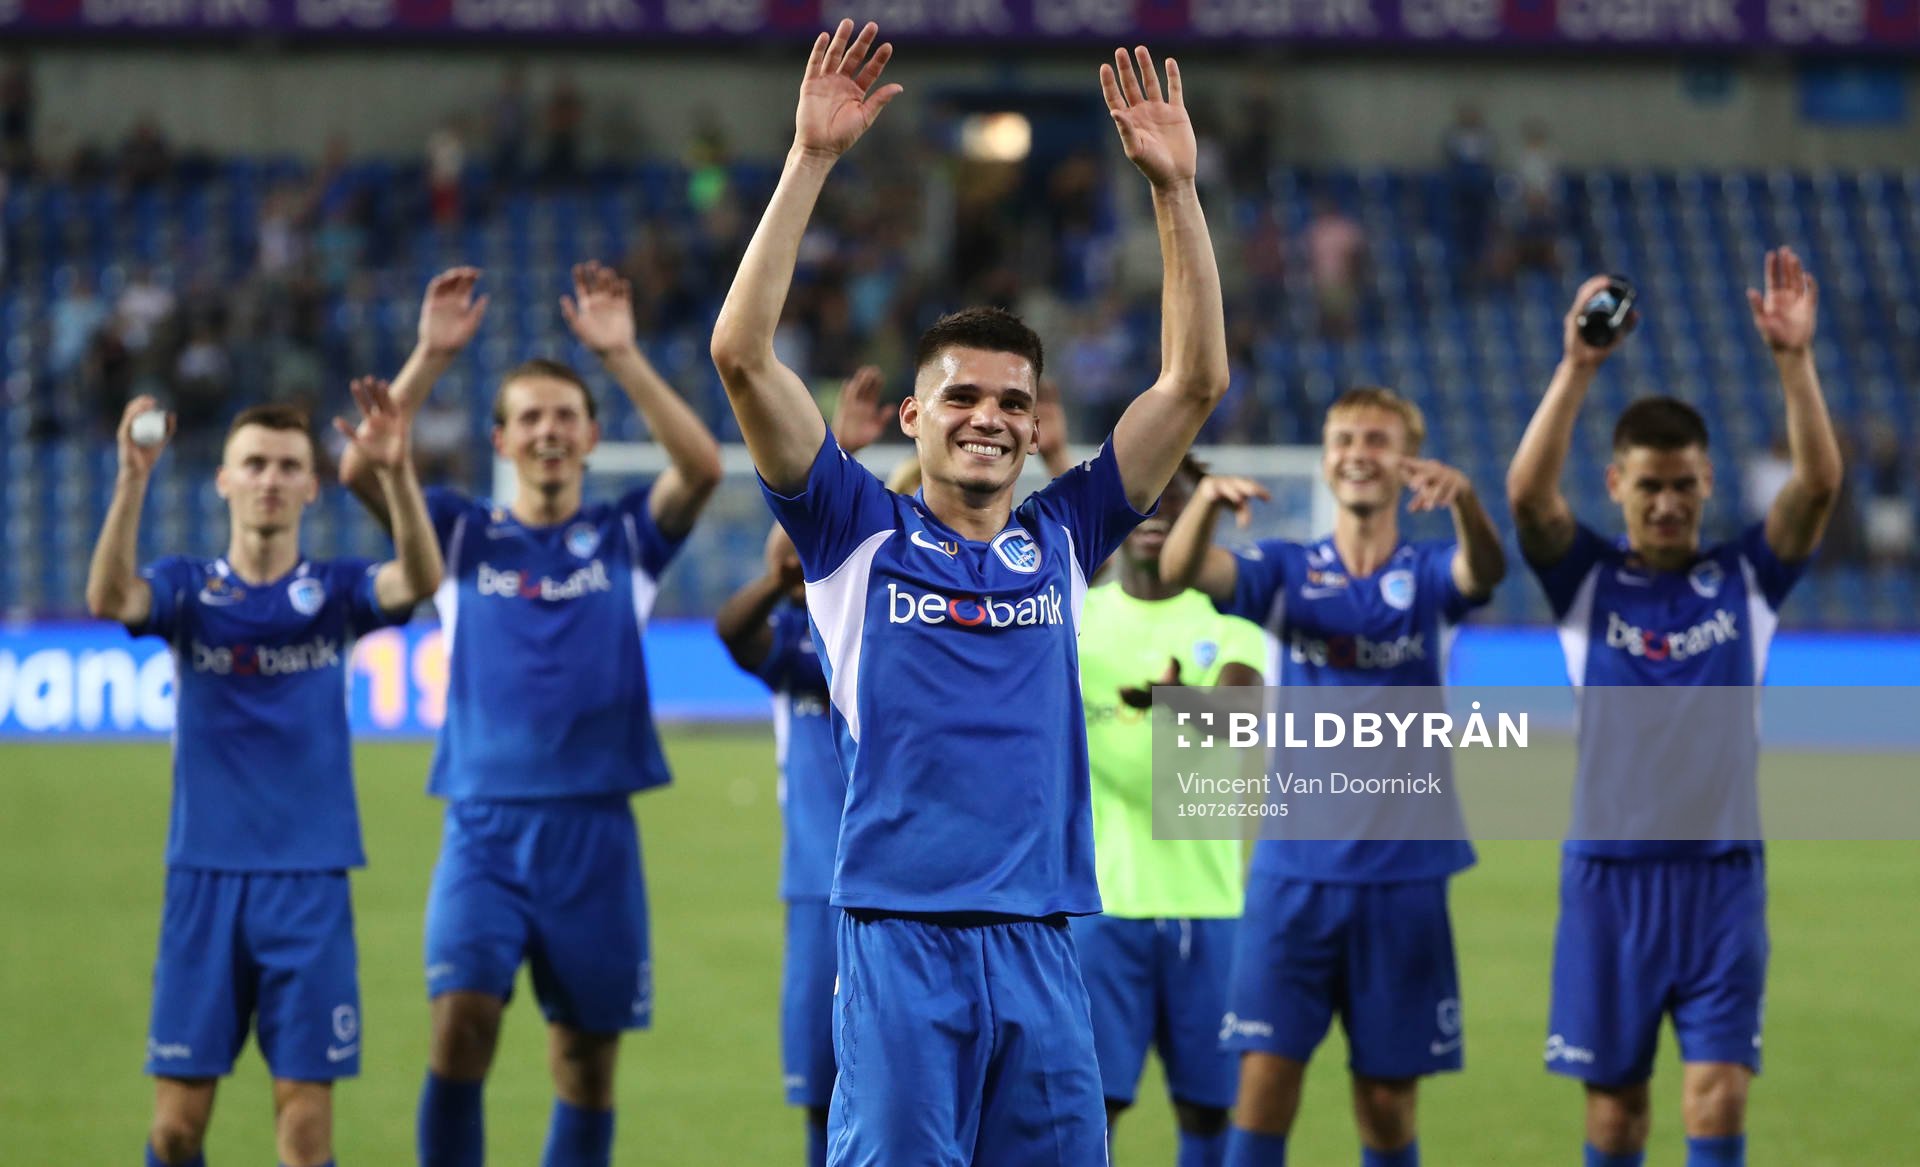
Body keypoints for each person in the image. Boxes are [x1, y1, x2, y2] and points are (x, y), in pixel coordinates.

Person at [708, 22, 1229, 1165]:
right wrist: (808, 162)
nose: (988, 416)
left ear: (1038, 426)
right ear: (912, 419)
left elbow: (1193, 383)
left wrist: (1176, 190)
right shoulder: (852, 533)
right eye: (959, 399)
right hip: (899, 942)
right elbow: (743, 356)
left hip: (1045, 944)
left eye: (1011, 401)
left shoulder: (1063, 535)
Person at [338, 263, 722, 1167]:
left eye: (565, 415)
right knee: (461, 1028)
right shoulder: (459, 534)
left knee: (585, 1065)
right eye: (530, 417)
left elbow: (702, 465)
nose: (549, 430)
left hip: (596, 831)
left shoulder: (626, 537)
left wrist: (621, 355)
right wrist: (430, 354)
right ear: (501, 438)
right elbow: (361, 467)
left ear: (591, 435)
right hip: (484, 826)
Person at [1504, 250, 1842, 1167]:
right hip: (1608, 880)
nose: (1665, 503)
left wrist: (1794, 361)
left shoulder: (1747, 579)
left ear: (1707, 486)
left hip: (1722, 879)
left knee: (1718, 1096)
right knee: (1615, 1118)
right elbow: (1528, 496)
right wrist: (1578, 365)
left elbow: (1816, 487)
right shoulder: (1585, 583)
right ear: (1616, 485)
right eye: (1647, 484)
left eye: (1683, 485)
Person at [86, 390, 442, 1167]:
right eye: (255, 464)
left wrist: (397, 470)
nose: (271, 480)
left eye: (288, 466)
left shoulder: (337, 591)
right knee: (177, 1128)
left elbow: (419, 578)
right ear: (224, 479)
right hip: (203, 881)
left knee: (306, 1132)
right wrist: (132, 478)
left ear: (313, 485)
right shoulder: (186, 589)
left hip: (308, 883)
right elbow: (111, 597)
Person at [1158, 387, 1507, 1167]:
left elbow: (1482, 571)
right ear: (1325, 457)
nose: (1357, 451)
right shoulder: (1286, 570)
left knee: (1387, 1101)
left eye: (1377, 439)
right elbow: (1185, 571)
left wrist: (1469, 506)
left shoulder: (1424, 574)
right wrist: (1206, 502)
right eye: (1344, 437)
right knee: (1265, 1083)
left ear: (1406, 460)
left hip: (1404, 873)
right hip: (1294, 870)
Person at [711, 365, 888, 1167]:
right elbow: (732, 628)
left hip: (904, 888)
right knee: (823, 1097)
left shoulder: (894, 635)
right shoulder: (795, 650)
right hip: (817, 887)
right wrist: (837, 455)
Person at [1071, 453, 1266, 1167]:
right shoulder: (1077, 619)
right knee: (1091, 1101)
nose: (1157, 518)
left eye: (1175, 504)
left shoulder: (1227, 617)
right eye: (1146, 502)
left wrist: (1177, 705)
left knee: (1209, 1105)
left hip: (1206, 905)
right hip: (1100, 906)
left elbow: (1242, 723)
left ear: (1196, 517)